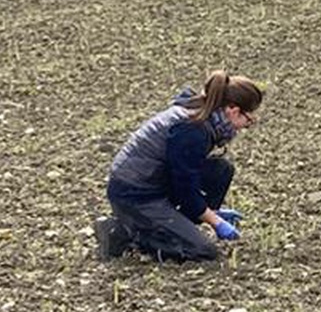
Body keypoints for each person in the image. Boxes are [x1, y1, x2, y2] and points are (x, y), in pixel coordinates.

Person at [98, 71, 264, 262]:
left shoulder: (200, 112)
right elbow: (185, 188)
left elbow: (186, 176)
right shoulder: (192, 130)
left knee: (220, 171)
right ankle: (123, 234)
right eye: (248, 120)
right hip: (135, 194)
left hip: (155, 181)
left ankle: (170, 227)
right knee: (203, 251)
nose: (244, 126)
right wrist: (214, 220)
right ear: (233, 111)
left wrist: (210, 211)